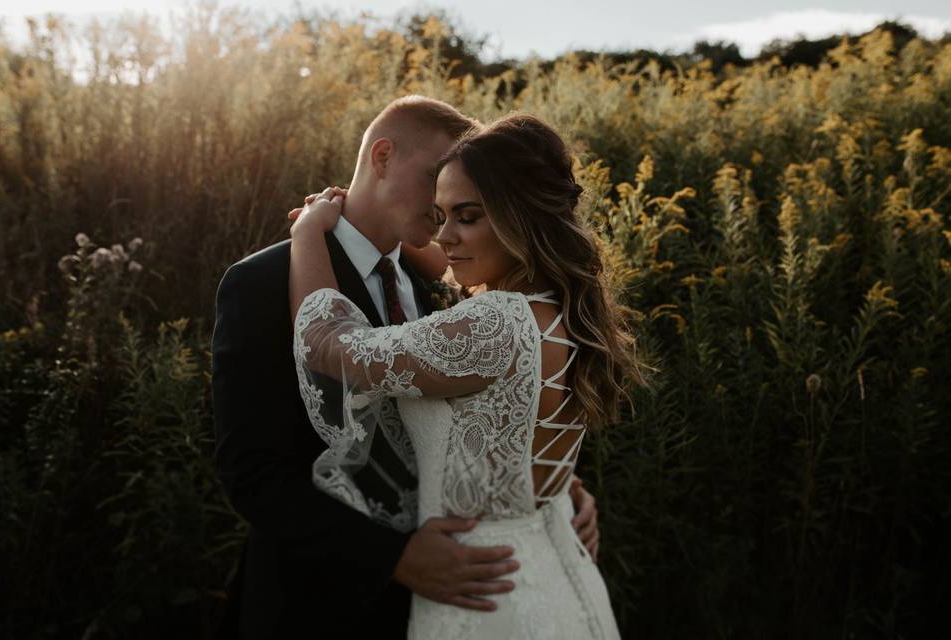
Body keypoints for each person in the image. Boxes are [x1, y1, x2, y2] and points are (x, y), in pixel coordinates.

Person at [211, 96, 601, 638]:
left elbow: (482, 410)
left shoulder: (459, 284)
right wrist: (391, 557)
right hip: (318, 608)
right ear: (383, 156)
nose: (444, 210)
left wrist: (549, 483)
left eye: (464, 206)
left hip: (459, 600)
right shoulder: (262, 283)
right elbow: (252, 474)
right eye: (435, 180)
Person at [288, 113, 647, 639]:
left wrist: (307, 233)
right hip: (557, 574)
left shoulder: (494, 325)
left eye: (467, 216)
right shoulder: (563, 311)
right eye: (439, 215)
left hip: (481, 598)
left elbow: (327, 345)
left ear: (519, 215)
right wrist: (394, 229)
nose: (444, 235)